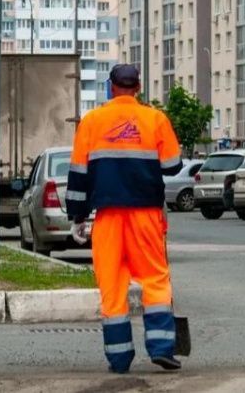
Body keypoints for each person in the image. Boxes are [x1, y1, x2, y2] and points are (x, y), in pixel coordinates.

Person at [66, 63, 184, 374]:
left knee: (113, 285)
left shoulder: (91, 122)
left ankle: (119, 358)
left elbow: (78, 175)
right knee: (156, 279)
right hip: (145, 213)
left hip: (108, 217)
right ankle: (161, 348)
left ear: (110, 87)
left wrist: (77, 215)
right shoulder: (155, 118)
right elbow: (172, 166)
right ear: (139, 87)